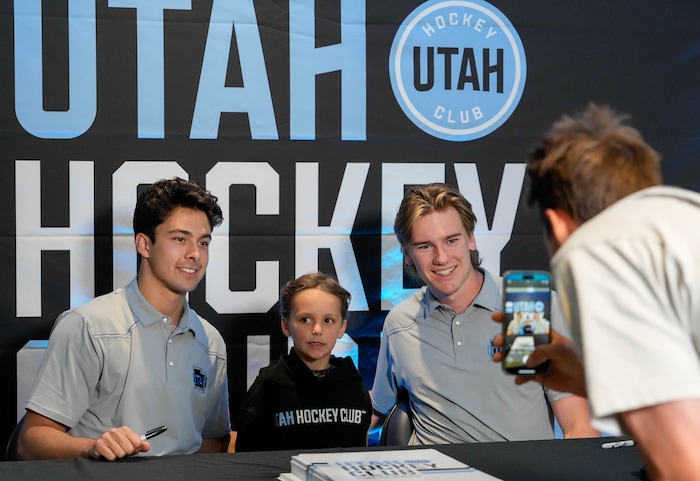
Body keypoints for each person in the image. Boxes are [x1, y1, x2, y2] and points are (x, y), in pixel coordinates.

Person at [492, 103, 700, 480]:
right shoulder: (686, 215)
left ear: (556, 225)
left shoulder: (596, 249)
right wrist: (588, 377)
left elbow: (682, 460)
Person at [17, 177, 231, 461]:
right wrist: (92, 448)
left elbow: (214, 440)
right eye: (180, 239)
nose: (195, 254)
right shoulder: (88, 326)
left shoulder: (211, 341)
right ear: (144, 244)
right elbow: (30, 441)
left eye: (203, 242)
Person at [370, 183, 598, 444]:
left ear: (471, 239)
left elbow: (579, 425)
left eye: (451, 240)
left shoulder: (524, 306)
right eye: (424, 246)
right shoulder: (401, 324)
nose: (441, 258)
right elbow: (375, 412)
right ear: (407, 255)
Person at [235, 272, 371, 451]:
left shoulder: (353, 385)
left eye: (328, 320)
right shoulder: (269, 385)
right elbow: (247, 456)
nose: (317, 329)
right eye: (305, 319)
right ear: (286, 325)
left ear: (342, 327)